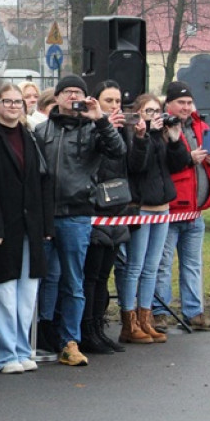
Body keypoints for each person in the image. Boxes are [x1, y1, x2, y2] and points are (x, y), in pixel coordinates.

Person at [34, 74, 127, 367]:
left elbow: (118, 150)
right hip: (46, 215)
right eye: (68, 91)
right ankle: (43, 332)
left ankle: (69, 340)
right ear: (57, 97)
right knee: (46, 278)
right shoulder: (40, 130)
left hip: (77, 214)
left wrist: (100, 119)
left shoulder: (93, 130)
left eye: (79, 92)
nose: (73, 96)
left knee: (73, 280)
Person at [0, 84, 50, 374]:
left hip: (31, 226)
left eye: (18, 102)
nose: (14, 106)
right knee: (3, 294)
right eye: (8, 101)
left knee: (26, 295)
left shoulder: (31, 136)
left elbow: (44, 181)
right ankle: (4, 354)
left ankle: (22, 349)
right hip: (2, 226)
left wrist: (45, 224)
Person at [153, 81, 210, 332]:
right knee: (162, 265)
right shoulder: (162, 127)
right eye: (180, 103)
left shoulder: (200, 126)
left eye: (188, 103)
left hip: (195, 211)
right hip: (172, 209)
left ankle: (194, 312)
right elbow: (165, 161)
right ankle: (159, 313)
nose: (185, 107)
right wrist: (189, 159)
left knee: (192, 264)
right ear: (169, 104)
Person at [119, 92, 191, 344]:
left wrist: (174, 140)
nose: (154, 116)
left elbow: (179, 164)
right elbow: (137, 165)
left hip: (162, 206)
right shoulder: (134, 135)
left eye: (156, 112)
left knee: (152, 267)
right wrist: (143, 135)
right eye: (148, 112)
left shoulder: (161, 136)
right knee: (135, 266)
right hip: (142, 206)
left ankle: (145, 318)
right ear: (138, 114)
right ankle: (129, 322)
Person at [76, 81, 132, 355]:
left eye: (118, 100)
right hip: (95, 210)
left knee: (103, 276)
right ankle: (87, 330)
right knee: (91, 275)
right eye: (108, 100)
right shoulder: (91, 130)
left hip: (117, 211)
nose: (114, 106)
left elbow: (128, 164)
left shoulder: (120, 133)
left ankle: (98, 327)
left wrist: (135, 136)